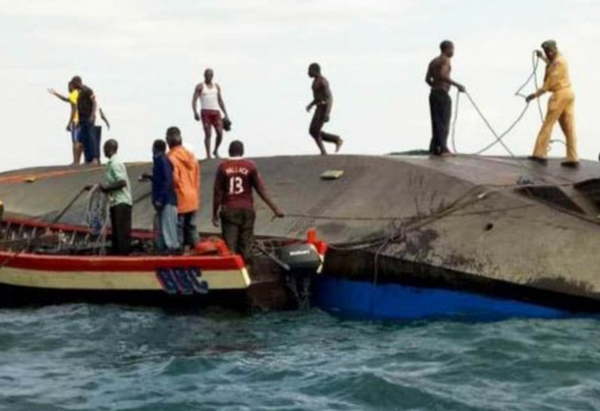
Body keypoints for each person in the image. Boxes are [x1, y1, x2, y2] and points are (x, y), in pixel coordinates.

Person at [213, 140, 284, 264]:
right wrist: (275, 209)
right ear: (242, 151)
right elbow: (261, 190)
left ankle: (233, 272)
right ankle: (249, 269)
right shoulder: (250, 166)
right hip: (247, 210)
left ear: (229, 151)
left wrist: (214, 213)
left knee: (230, 246)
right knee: (246, 244)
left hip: (229, 210)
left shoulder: (223, 167)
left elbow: (218, 192)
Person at [526, 40, 578, 168]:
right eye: (546, 52)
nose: (547, 54)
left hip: (559, 94)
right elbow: (551, 63)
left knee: (548, 124)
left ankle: (540, 154)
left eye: (548, 52)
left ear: (553, 50)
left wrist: (534, 95)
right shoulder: (559, 59)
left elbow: (549, 84)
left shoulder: (558, 63)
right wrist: (542, 58)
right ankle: (573, 157)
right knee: (569, 127)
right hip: (569, 93)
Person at [425, 40, 466, 157]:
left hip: (433, 94)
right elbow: (443, 75)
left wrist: (435, 87)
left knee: (436, 121)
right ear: (447, 49)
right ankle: (443, 149)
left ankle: (435, 148)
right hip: (442, 94)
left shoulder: (433, 62)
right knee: (444, 121)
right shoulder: (445, 60)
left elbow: (427, 79)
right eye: (452, 49)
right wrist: (458, 85)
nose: (453, 51)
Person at [141, 140, 180, 254]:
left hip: (166, 200)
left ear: (154, 148)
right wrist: (151, 177)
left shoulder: (161, 161)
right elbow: (163, 178)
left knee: (168, 227)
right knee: (162, 226)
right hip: (166, 199)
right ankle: (165, 248)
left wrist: (160, 199)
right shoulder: (164, 161)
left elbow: (167, 181)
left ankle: (172, 249)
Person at [166, 127, 200, 250]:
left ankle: (178, 254)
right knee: (192, 227)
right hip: (192, 196)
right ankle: (198, 251)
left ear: (168, 140)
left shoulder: (170, 158)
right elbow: (196, 177)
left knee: (178, 228)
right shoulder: (191, 156)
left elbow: (174, 179)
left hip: (179, 197)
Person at [99, 139, 133, 256]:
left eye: (104, 148)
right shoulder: (111, 164)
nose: (103, 151)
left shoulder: (115, 164)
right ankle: (117, 255)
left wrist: (107, 188)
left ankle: (122, 257)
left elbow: (122, 182)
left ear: (110, 149)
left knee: (121, 233)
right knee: (117, 232)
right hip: (116, 202)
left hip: (121, 202)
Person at [192, 68, 230, 159]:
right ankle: (208, 155)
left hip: (216, 112)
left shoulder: (216, 86)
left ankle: (215, 150)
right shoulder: (200, 86)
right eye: (207, 75)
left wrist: (226, 113)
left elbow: (220, 100)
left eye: (211, 75)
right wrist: (195, 112)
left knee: (220, 133)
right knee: (208, 134)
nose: (209, 77)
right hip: (205, 112)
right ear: (204, 75)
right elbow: (194, 100)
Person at [71, 76, 110, 165]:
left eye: (74, 83)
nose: (73, 85)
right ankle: (88, 158)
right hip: (82, 118)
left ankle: (95, 158)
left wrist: (92, 115)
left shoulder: (87, 90)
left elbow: (94, 102)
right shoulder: (79, 93)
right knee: (84, 139)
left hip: (88, 117)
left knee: (91, 138)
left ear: (78, 82)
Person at [306, 63, 343, 155]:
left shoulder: (322, 81)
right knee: (312, 131)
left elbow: (329, 97)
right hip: (319, 107)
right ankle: (336, 139)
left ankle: (324, 150)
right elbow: (318, 97)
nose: (308, 73)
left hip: (324, 107)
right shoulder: (315, 81)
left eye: (309, 70)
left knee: (315, 130)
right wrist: (311, 105)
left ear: (315, 71)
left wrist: (327, 113)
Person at [48, 81, 83, 164]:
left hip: (76, 120)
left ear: (73, 86)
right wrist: (56, 93)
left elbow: (74, 109)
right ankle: (77, 160)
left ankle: (75, 161)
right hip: (82, 119)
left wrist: (69, 122)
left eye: (69, 87)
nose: (68, 89)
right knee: (80, 141)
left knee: (75, 141)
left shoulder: (74, 94)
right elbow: (66, 99)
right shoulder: (78, 93)